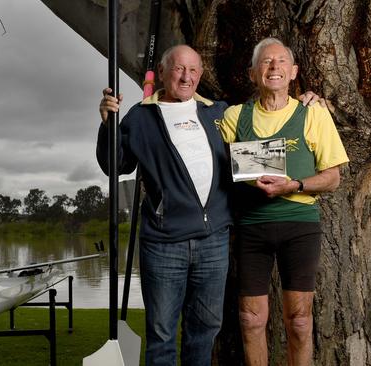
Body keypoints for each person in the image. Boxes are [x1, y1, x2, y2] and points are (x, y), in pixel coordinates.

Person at [97, 44, 232, 366]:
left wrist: (309, 104)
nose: (187, 77)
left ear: (201, 74)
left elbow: (266, 124)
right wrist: (107, 126)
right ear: (162, 71)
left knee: (206, 330)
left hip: (214, 240)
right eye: (179, 69)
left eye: (194, 70)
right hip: (163, 242)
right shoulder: (141, 117)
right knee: (161, 333)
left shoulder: (220, 112)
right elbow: (115, 166)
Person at [217, 37, 349, 365]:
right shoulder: (234, 117)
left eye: (280, 62)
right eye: (266, 61)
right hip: (251, 226)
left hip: (299, 225)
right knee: (250, 319)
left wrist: (294, 185)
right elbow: (206, 151)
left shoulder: (313, 113)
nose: (274, 67)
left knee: (300, 321)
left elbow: (333, 178)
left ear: (293, 72)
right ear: (252, 73)